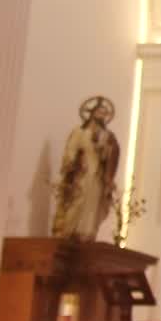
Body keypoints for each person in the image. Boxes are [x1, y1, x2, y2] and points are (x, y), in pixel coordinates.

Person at [52, 96, 120, 240]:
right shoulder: (80, 132)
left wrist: (105, 149)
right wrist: (72, 163)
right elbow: (71, 149)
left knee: (92, 205)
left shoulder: (107, 136)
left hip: (97, 175)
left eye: (104, 113)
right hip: (82, 172)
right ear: (92, 113)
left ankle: (86, 233)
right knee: (78, 199)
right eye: (99, 112)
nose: (101, 115)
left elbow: (111, 154)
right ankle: (68, 230)